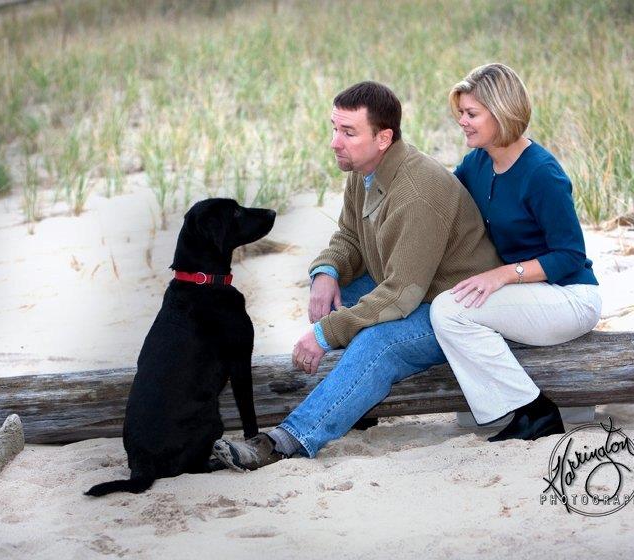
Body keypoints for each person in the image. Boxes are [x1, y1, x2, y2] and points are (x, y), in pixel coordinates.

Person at [212, 80, 502, 470]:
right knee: (338, 294)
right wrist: (327, 270)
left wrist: (325, 334)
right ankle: (357, 402)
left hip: (455, 308)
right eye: (334, 128)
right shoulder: (365, 169)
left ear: (383, 138)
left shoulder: (417, 192)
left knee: (378, 343)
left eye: (348, 132)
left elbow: (400, 294)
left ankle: (286, 440)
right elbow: (350, 236)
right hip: (413, 288)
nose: (335, 142)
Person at [430, 63, 602, 442]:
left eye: (471, 113)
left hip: (570, 297)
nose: (462, 121)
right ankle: (514, 407)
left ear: (501, 112)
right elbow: (443, 202)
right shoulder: (477, 163)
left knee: (449, 310)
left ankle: (536, 412)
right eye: (460, 112)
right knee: (453, 309)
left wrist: (502, 275)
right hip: (526, 295)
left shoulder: (542, 173)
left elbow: (570, 255)